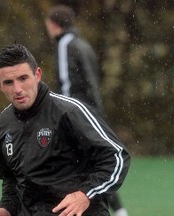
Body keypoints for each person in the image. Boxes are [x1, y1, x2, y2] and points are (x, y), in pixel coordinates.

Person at [0, 43, 130, 216]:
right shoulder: (0, 128)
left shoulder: (69, 112)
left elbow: (116, 156)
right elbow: (11, 180)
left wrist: (85, 194)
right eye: (8, 82)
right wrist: (7, 208)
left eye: (23, 78)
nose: (17, 89)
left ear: (37, 75)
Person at [45, 5, 129, 216]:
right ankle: (118, 210)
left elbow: (66, 83)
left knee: (74, 164)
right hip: (92, 112)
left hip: (76, 115)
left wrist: (61, 115)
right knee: (95, 163)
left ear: (54, 24)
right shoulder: (83, 44)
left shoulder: (65, 44)